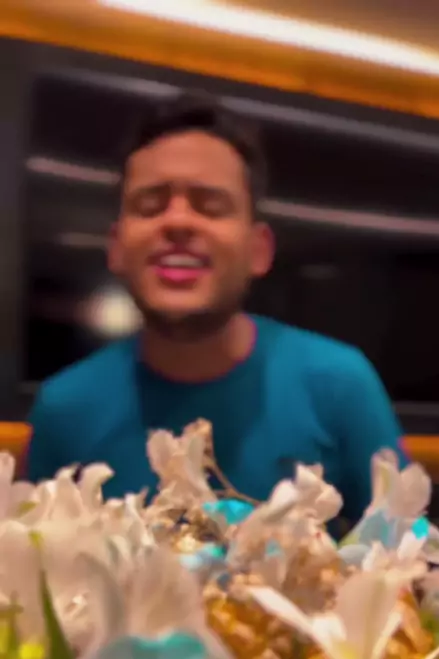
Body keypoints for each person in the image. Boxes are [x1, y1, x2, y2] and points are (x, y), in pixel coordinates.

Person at [26, 90, 407, 523]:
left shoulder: (339, 385)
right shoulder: (64, 408)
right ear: (116, 247)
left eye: (211, 205)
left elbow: (409, 551)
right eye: (150, 206)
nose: (178, 222)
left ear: (259, 250)